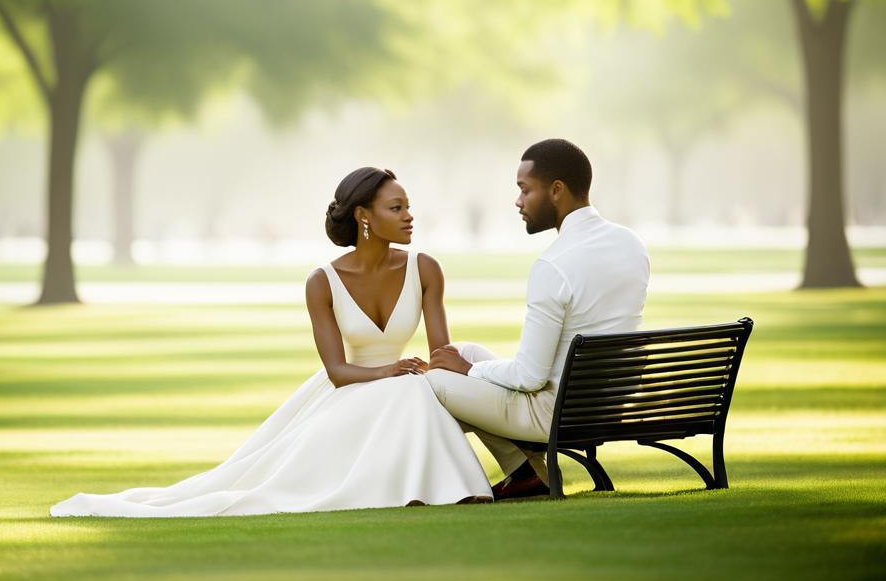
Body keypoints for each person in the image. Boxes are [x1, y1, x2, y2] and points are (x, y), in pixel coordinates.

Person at [49, 167, 492, 517]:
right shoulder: (323, 282)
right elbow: (338, 373)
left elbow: (439, 356)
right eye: (397, 208)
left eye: (408, 206)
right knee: (400, 390)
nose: (409, 216)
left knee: (414, 387)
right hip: (351, 389)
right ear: (364, 217)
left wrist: (465, 371)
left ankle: (442, 488)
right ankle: (423, 489)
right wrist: (387, 371)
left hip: (401, 384)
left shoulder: (425, 268)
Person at [426, 139, 650, 500]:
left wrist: (467, 372)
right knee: (463, 350)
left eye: (525, 190)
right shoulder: (631, 244)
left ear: (557, 190)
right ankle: (527, 475)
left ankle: (494, 475)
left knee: (436, 380)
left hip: (558, 412)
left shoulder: (553, 265)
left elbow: (529, 378)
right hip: (608, 403)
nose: (518, 201)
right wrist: (467, 362)